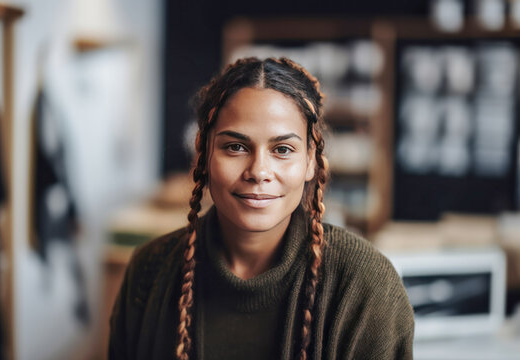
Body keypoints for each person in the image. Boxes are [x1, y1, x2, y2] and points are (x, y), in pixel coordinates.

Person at [109, 57, 414, 360]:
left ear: (311, 159)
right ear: (202, 151)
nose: (258, 171)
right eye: (235, 147)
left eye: (282, 150)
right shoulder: (149, 273)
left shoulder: (365, 287)